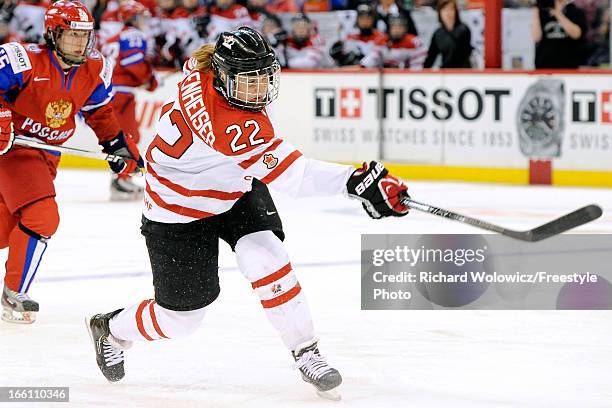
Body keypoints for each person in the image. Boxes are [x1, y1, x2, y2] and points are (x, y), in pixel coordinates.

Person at [85, 27, 410, 399]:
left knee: (267, 257)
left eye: (263, 77)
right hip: (178, 209)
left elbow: (203, 64)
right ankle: (112, 329)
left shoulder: (203, 68)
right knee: (181, 320)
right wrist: (356, 181)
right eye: (247, 80)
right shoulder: (228, 123)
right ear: (223, 78)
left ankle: (306, 350)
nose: (258, 90)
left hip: (234, 185)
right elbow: (295, 176)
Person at [0, 0, 143, 323]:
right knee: (42, 217)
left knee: (5, 231)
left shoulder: (94, 68)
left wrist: (118, 146)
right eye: (72, 35)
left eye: (84, 35)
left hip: (47, 154)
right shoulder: (22, 60)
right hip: (13, 149)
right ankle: (14, 292)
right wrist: (2, 118)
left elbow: (100, 113)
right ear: (53, 34)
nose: (80, 42)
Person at [101, 0, 157, 200]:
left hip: (110, 92)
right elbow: (135, 65)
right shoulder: (134, 35)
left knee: (121, 136)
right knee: (128, 136)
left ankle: (121, 176)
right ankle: (121, 178)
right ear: (132, 17)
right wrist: (150, 80)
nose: (143, 22)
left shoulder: (113, 37)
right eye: (140, 17)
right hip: (121, 94)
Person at [532, 0, 587, 68]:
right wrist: (536, 10)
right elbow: (536, 37)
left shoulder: (575, 12)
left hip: (569, 65)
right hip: (544, 64)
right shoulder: (543, 13)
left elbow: (576, 34)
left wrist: (558, 14)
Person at [330, 3, 387, 67]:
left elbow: (376, 56)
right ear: (357, 20)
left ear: (373, 20)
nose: (365, 21)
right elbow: (341, 57)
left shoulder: (381, 36)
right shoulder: (351, 37)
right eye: (362, 18)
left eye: (368, 18)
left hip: (374, 73)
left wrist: (360, 65)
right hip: (354, 74)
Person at [423, 0, 472, 68]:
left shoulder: (463, 30)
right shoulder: (438, 33)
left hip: (462, 72)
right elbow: (431, 57)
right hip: (445, 72)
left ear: (456, 12)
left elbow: (462, 54)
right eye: (444, 9)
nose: (448, 13)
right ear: (440, 12)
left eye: (451, 9)